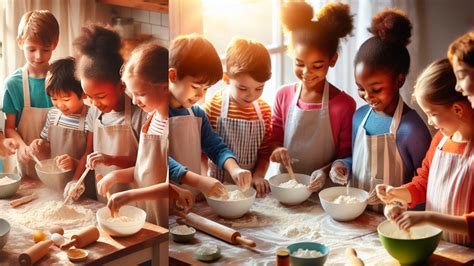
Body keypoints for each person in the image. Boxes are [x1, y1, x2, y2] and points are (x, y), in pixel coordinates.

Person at [377, 59, 474, 246]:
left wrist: (428, 218)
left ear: (457, 109)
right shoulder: (440, 140)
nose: (430, 122)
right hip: (442, 246)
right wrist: (397, 193)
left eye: (432, 114)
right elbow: (423, 184)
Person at [202, 37, 272, 197]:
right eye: (243, 88)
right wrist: (203, 178)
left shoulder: (265, 111)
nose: (251, 95)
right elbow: (202, 152)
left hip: (249, 191)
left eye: (259, 88)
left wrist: (259, 176)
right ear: (226, 78)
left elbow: (264, 153)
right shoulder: (213, 107)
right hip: (216, 188)